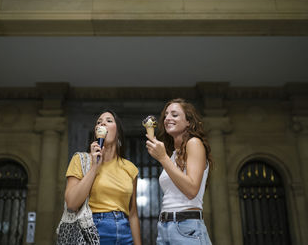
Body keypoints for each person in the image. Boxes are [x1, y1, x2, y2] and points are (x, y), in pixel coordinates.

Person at [65, 110, 142, 245]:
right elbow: (71, 203)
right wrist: (94, 167)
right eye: (99, 122)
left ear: (117, 132)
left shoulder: (130, 168)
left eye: (108, 121)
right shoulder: (81, 159)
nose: (102, 124)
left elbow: (133, 213)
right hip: (93, 229)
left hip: (124, 233)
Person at [145, 98, 212, 245]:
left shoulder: (194, 143)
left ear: (188, 121)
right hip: (164, 227)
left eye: (174, 115)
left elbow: (191, 189)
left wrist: (162, 158)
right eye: (166, 115)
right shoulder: (173, 155)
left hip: (186, 226)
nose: (168, 118)